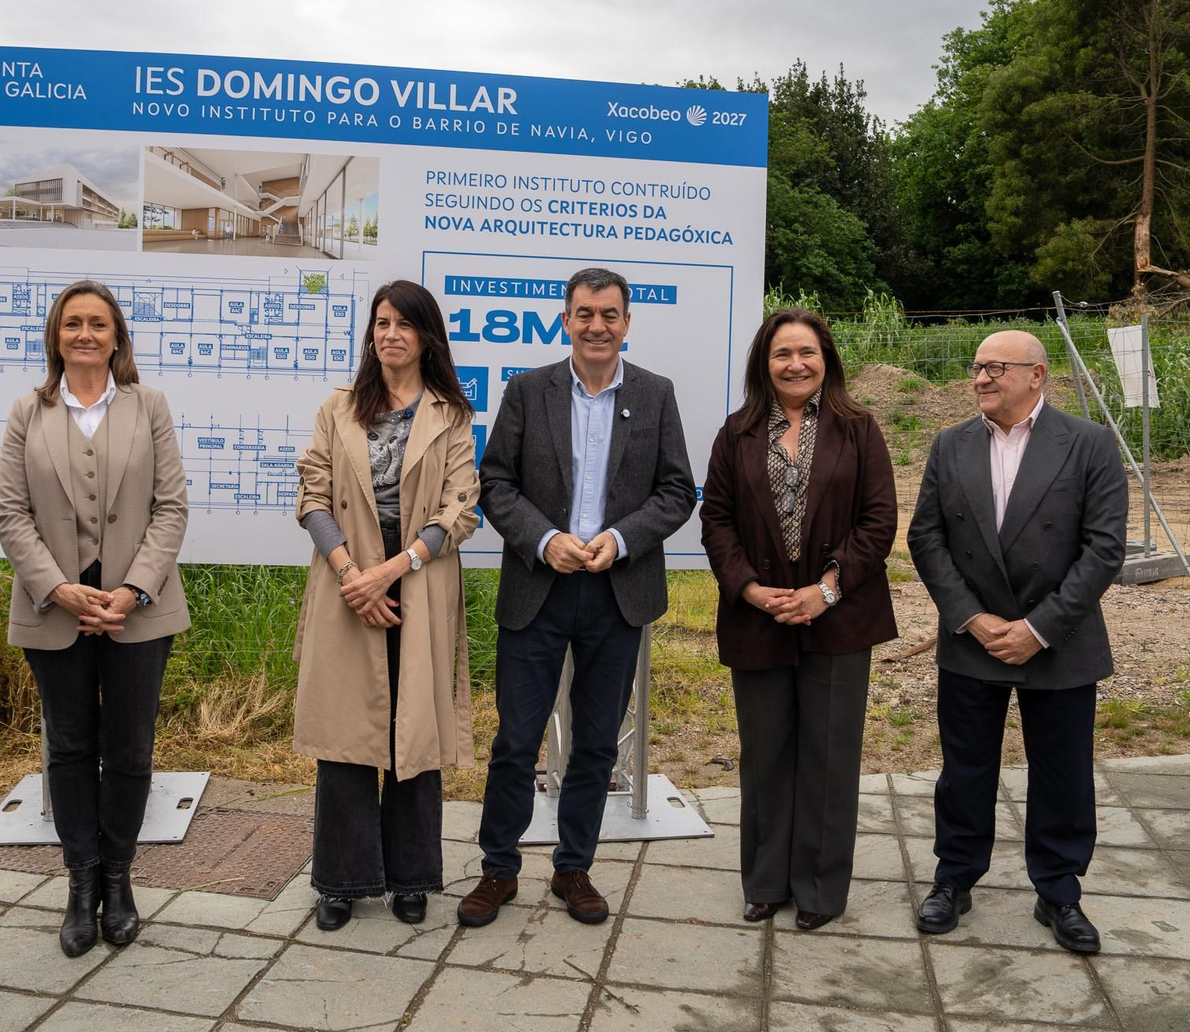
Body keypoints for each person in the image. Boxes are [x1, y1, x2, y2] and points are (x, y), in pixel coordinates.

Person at [459, 267, 696, 928]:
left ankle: (573, 867)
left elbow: (677, 490)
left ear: (627, 322)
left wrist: (620, 539)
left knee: (596, 743)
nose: (597, 326)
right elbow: (496, 481)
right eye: (585, 314)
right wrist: (544, 539)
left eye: (610, 315)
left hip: (617, 593)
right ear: (565, 320)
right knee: (516, 739)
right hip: (540, 589)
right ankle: (498, 869)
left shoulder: (655, 394)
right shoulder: (528, 390)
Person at [908, 329, 1127, 953]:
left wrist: (1038, 629)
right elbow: (927, 539)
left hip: (1059, 639)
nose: (980, 378)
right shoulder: (950, 446)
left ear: (1037, 374)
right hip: (973, 638)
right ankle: (954, 878)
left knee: (1062, 773)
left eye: (995, 367)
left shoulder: (1088, 443)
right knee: (965, 769)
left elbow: (1104, 547)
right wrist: (972, 618)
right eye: (977, 367)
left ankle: (1059, 891)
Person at [0, 279, 190, 958]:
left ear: (116, 337)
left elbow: (171, 509)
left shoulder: (149, 406)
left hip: (138, 611)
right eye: (72, 323)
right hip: (56, 613)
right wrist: (58, 587)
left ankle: (119, 877)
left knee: (130, 749)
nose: (84, 334)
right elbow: (10, 514)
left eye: (97, 324)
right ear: (56, 335)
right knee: (70, 748)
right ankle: (80, 884)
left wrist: (133, 589)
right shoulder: (28, 411)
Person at [699, 308, 898, 930]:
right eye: (782, 353)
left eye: (806, 352)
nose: (795, 364)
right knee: (765, 752)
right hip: (758, 617)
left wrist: (827, 589)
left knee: (829, 754)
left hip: (838, 617)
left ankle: (818, 889)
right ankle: (764, 882)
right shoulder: (735, 434)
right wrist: (752, 590)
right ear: (765, 363)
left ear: (826, 359)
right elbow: (718, 523)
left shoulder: (858, 429)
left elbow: (879, 519)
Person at [292, 279, 479, 930]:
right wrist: (353, 575)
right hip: (347, 579)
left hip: (419, 580)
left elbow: (461, 509)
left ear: (427, 336)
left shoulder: (451, 413)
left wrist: (394, 571)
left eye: (403, 323)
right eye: (380, 322)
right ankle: (341, 881)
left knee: (413, 733)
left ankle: (411, 877)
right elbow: (311, 497)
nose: (389, 333)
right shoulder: (338, 407)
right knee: (345, 735)